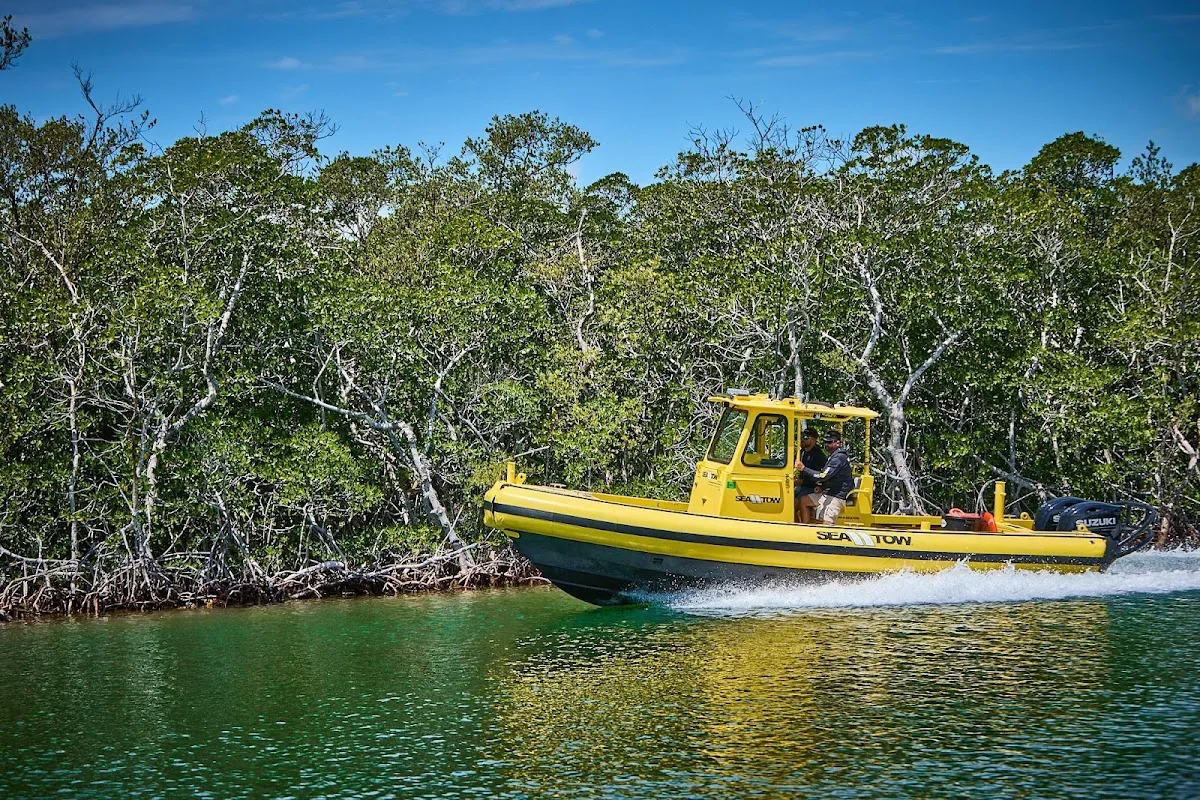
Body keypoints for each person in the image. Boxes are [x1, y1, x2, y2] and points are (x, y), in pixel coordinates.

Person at [798, 430, 854, 526]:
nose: (826, 445)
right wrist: (822, 487)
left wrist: (804, 469)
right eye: (825, 442)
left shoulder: (839, 458)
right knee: (803, 500)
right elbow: (829, 476)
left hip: (836, 496)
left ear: (838, 443)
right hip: (827, 493)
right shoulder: (833, 456)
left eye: (829, 442)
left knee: (826, 523)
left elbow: (823, 476)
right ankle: (805, 528)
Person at [793, 427, 827, 523]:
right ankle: (795, 525)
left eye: (805, 437)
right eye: (801, 437)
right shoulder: (801, 452)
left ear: (813, 440)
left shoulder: (819, 455)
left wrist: (800, 481)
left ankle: (804, 527)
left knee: (794, 504)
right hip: (802, 487)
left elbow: (821, 475)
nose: (802, 439)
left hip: (813, 488)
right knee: (786, 500)